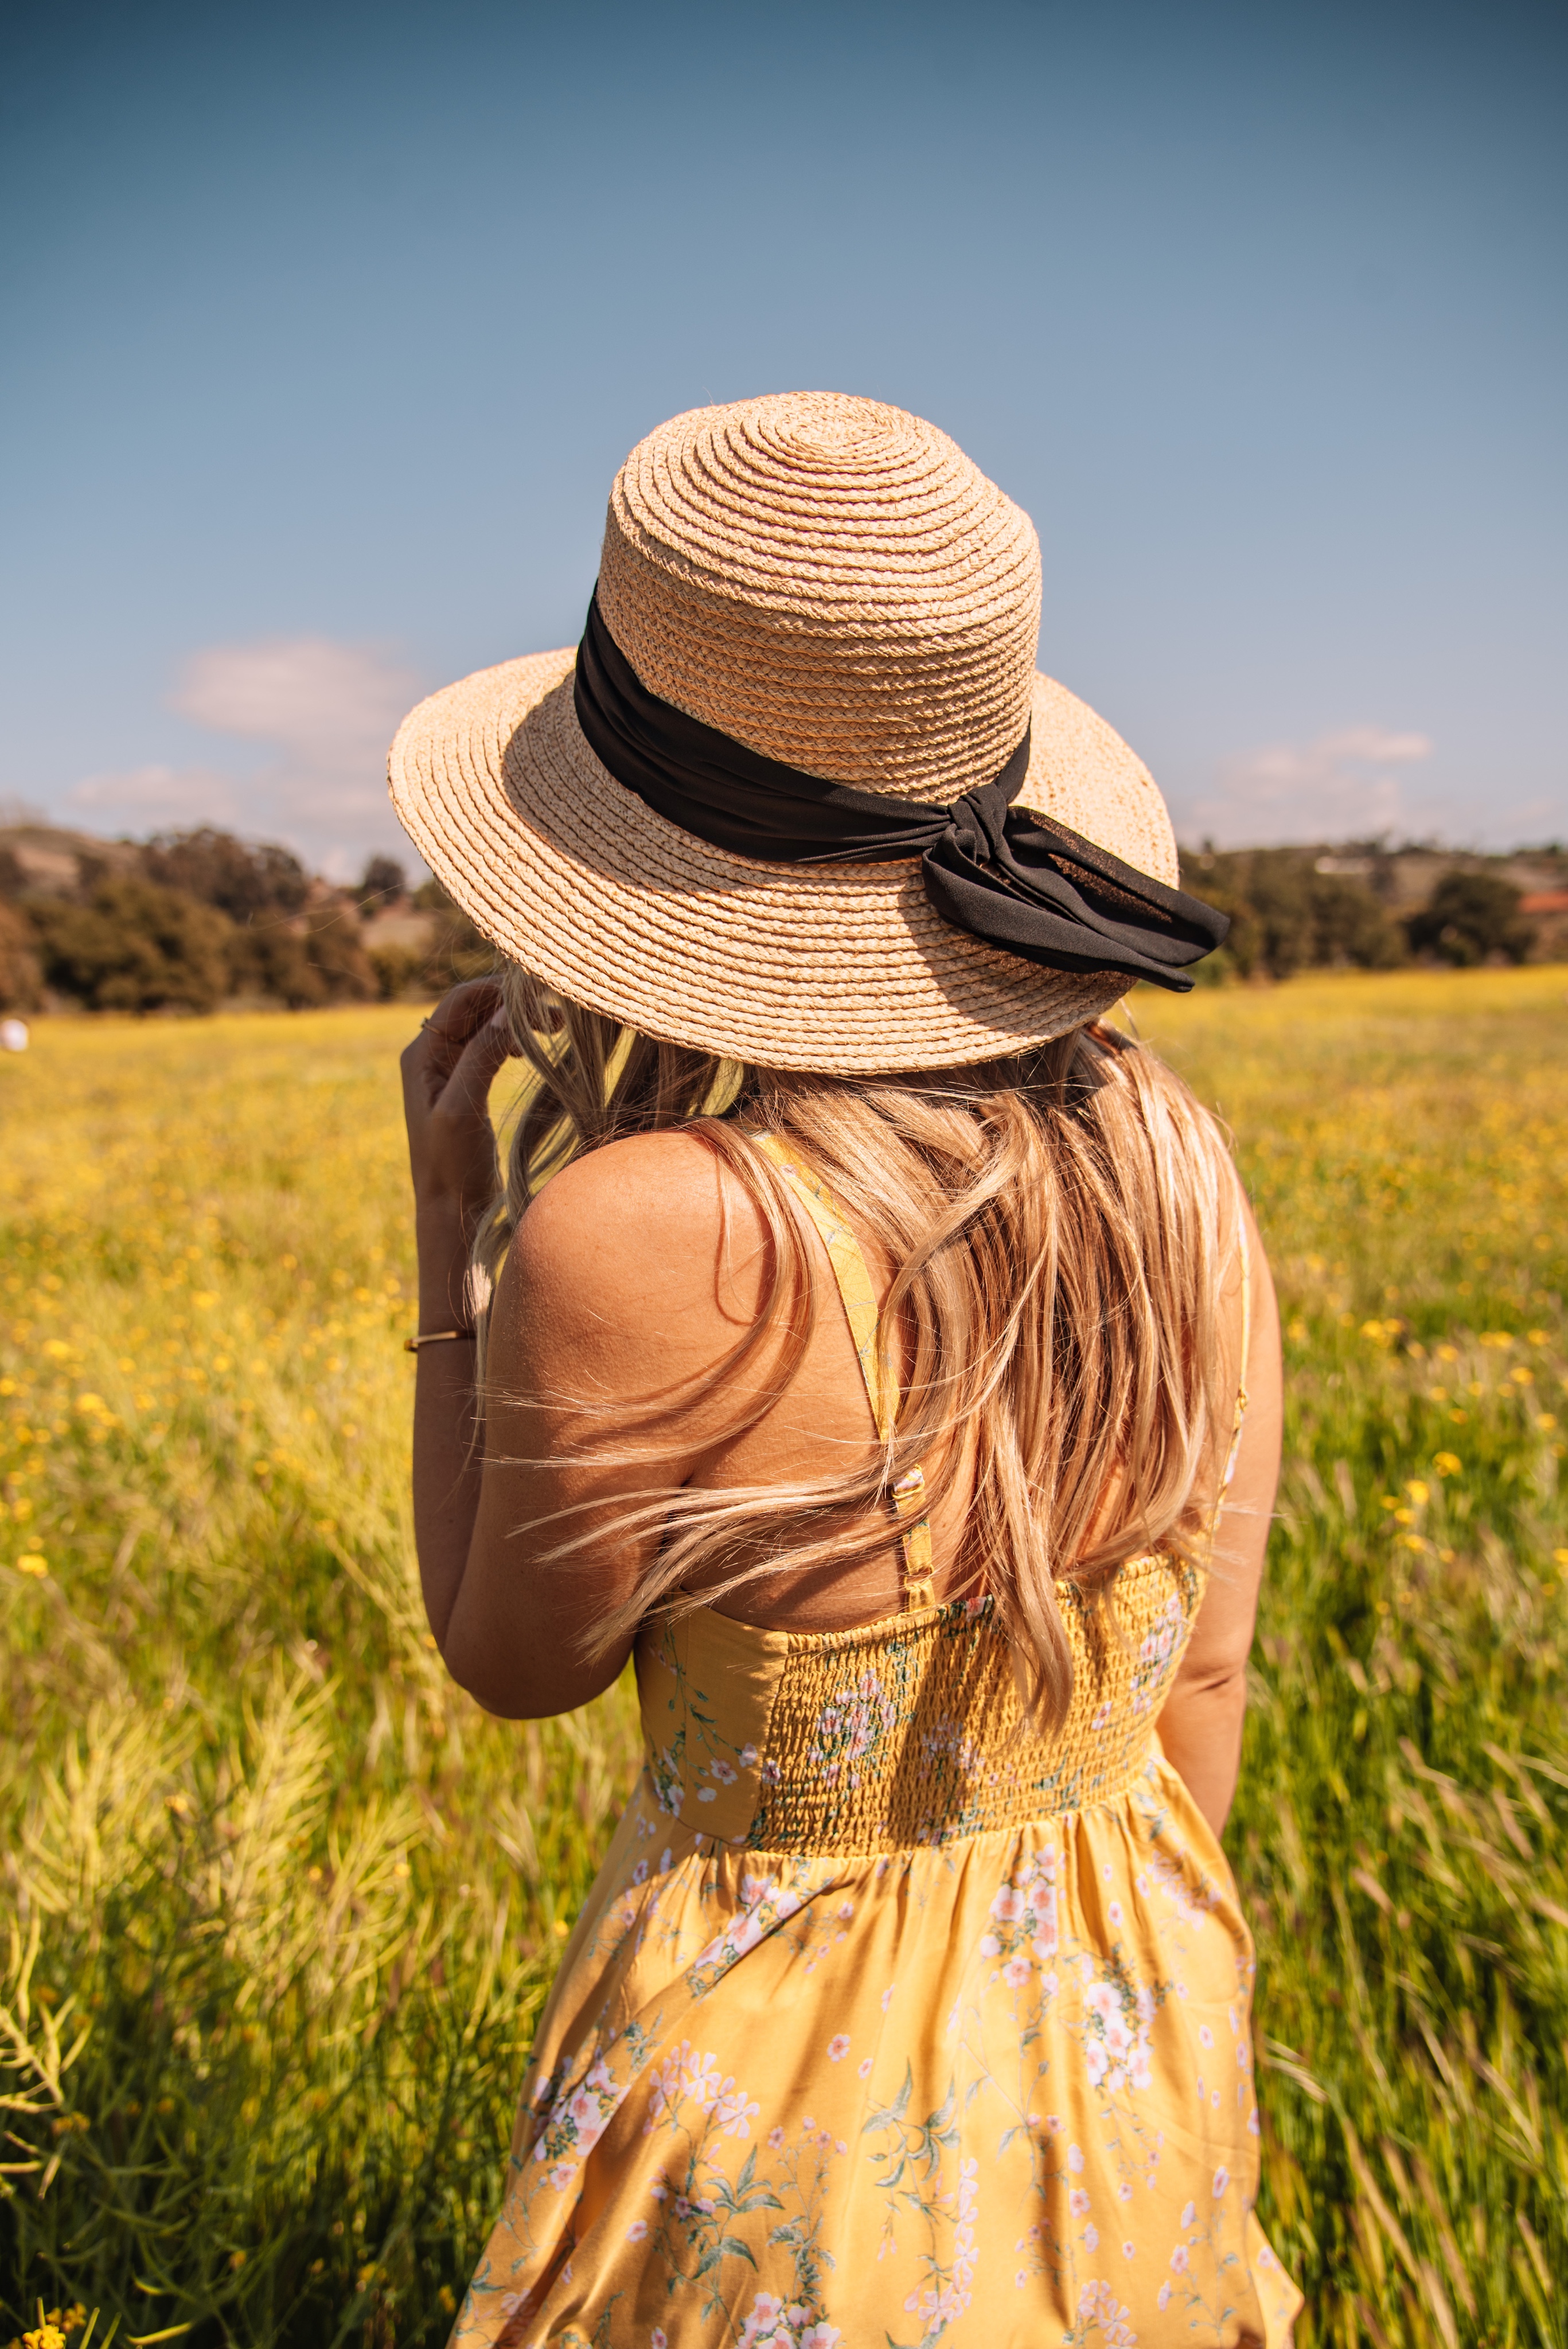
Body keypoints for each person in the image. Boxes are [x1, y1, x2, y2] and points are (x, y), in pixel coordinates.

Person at [392, 393, 1302, 2346]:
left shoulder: (628, 1229)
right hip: (1135, 2024)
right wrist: (1133, 2010)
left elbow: (511, 1664)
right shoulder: (1173, 1159)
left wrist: (449, 1234)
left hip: (772, 2116)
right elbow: (1204, 1673)